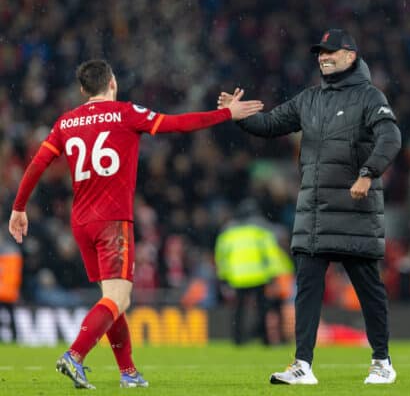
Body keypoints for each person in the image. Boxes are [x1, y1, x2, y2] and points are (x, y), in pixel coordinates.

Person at [8, 59, 263, 389]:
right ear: (112, 83)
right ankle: (75, 355)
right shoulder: (126, 113)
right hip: (112, 221)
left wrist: (19, 208)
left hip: (81, 222)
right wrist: (226, 114)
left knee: (111, 300)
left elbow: (37, 164)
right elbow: (179, 124)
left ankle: (128, 372)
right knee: (119, 299)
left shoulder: (65, 122)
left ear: (83, 89)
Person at [219, 29, 401, 385]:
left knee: (369, 292)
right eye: (320, 52)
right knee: (307, 292)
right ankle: (302, 364)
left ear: (351, 56)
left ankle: (382, 361)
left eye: (331, 51)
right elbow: (271, 124)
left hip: (354, 210)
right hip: (315, 214)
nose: (323, 57)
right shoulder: (310, 99)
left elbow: (391, 136)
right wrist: (236, 116)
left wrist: (368, 173)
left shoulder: (369, 96)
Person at [214, 198, 294, 345]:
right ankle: (265, 339)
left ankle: (237, 339)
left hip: (237, 276)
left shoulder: (228, 232)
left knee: (239, 310)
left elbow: (221, 256)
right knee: (262, 309)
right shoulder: (261, 231)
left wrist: (223, 276)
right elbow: (271, 254)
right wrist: (273, 275)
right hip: (258, 276)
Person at [0, 231, 23, 342]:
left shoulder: (7, 255)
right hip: (9, 292)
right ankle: (14, 337)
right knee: (11, 316)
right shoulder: (12, 253)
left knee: (9, 315)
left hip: (6, 292)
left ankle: (13, 336)